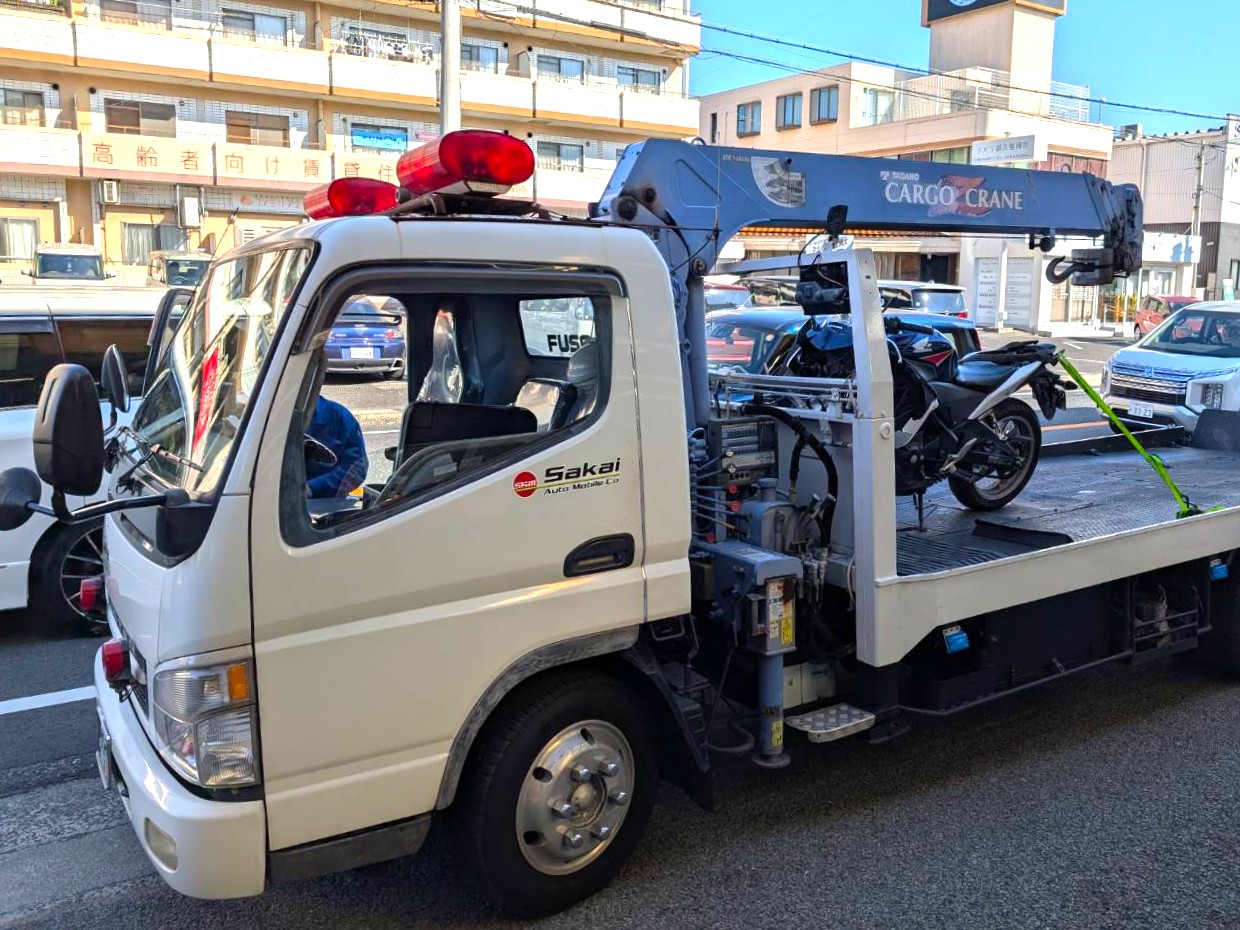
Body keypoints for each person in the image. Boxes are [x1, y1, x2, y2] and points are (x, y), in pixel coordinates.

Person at [306, 395, 368, 498]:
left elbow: (357, 467)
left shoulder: (339, 417)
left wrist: (312, 488)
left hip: (327, 501)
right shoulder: (279, 415)